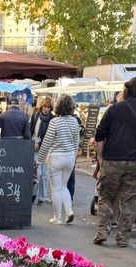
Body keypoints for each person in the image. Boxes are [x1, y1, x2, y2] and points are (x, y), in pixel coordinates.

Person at [91, 76, 136, 247]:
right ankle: (123, 237)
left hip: (112, 160)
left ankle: (102, 231)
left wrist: (101, 158)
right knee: (130, 200)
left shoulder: (114, 109)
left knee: (106, 197)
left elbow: (99, 135)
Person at [36, 94, 82, 225]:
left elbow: (46, 143)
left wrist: (39, 160)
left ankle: (58, 217)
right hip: (70, 157)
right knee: (63, 186)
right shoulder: (74, 121)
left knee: (56, 188)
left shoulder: (54, 122)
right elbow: (76, 142)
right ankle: (69, 211)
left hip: (56, 157)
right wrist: (73, 157)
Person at [30, 97, 54, 204]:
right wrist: (31, 143)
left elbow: (50, 135)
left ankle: (42, 197)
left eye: (49, 107)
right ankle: (34, 193)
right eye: (45, 106)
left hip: (45, 147)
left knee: (44, 173)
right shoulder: (35, 116)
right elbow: (30, 130)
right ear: (41, 106)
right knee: (36, 172)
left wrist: (40, 144)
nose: (46, 109)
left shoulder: (52, 119)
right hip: (33, 145)